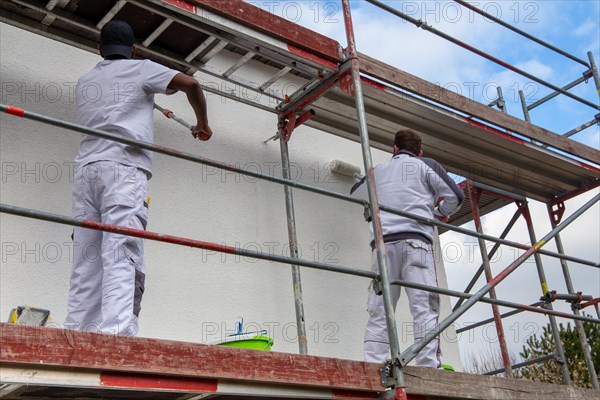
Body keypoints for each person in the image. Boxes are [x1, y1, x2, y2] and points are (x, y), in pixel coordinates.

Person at [65, 20, 212, 336]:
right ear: (133, 50)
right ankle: (117, 334)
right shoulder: (141, 68)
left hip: (87, 170)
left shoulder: (86, 80)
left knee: (87, 255)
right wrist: (202, 123)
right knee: (121, 249)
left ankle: (79, 331)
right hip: (123, 170)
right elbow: (192, 85)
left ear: (100, 49)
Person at [352, 129, 464, 368]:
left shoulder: (377, 172)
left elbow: (356, 193)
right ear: (419, 152)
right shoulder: (425, 165)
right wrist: (438, 212)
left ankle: (373, 365)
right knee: (424, 307)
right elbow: (456, 195)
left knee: (380, 309)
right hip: (416, 245)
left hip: (382, 247)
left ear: (394, 149)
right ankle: (427, 366)